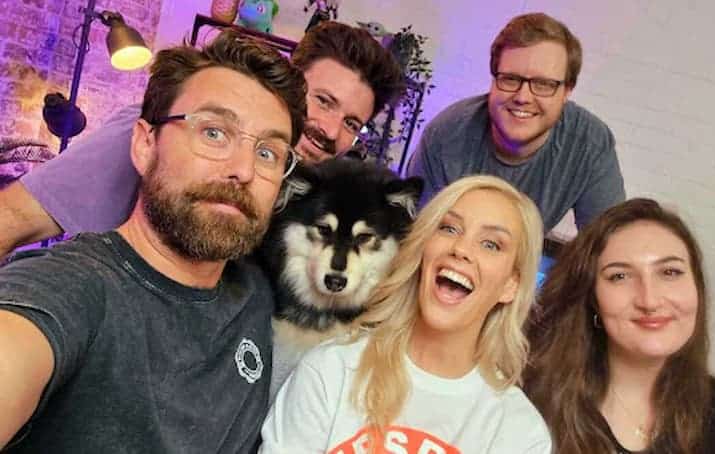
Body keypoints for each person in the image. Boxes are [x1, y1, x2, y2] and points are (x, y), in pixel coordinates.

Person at [0, 29, 307, 452]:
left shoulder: (259, 294)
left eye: (268, 153)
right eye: (214, 132)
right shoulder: (71, 289)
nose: (244, 169)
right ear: (145, 145)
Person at [0, 21, 404, 256]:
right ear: (289, 81)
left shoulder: (306, 197)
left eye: (352, 123)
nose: (330, 131)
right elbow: (11, 219)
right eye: (323, 101)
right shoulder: (165, 131)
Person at [260, 175, 550, 453]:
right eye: (449, 228)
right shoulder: (330, 370)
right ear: (421, 248)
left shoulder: (520, 432)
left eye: (491, 244)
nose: (461, 249)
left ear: (512, 285)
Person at [524, 198, 715, 453]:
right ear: (592, 299)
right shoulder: (526, 406)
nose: (649, 300)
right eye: (619, 276)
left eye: (670, 272)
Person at [407, 12, 625, 233]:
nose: (523, 97)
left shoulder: (591, 144)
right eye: (511, 79)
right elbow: (417, 234)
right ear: (494, 80)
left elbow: (608, 241)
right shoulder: (445, 134)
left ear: (567, 91)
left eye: (543, 84)